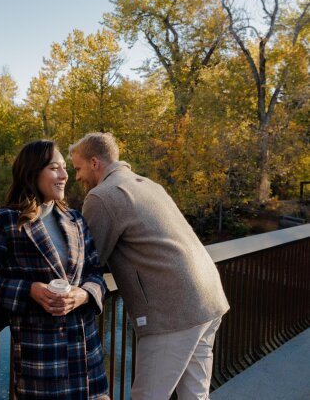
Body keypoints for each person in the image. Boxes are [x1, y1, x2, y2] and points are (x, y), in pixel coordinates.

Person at [69, 132, 229, 400]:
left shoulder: (103, 196)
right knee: (196, 396)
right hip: (208, 299)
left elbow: (85, 260)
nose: (76, 177)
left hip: (172, 312)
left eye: (77, 168)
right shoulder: (149, 185)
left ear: (94, 163)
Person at [0, 140, 110, 400]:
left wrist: (84, 294)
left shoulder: (75, 220)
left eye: (65, 168)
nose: (64, 175)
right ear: (32, 173)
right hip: (42, 361)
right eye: (55, 168)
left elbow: (96, 274)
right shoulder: (7, 221)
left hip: (87, 356)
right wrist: (28, 290)